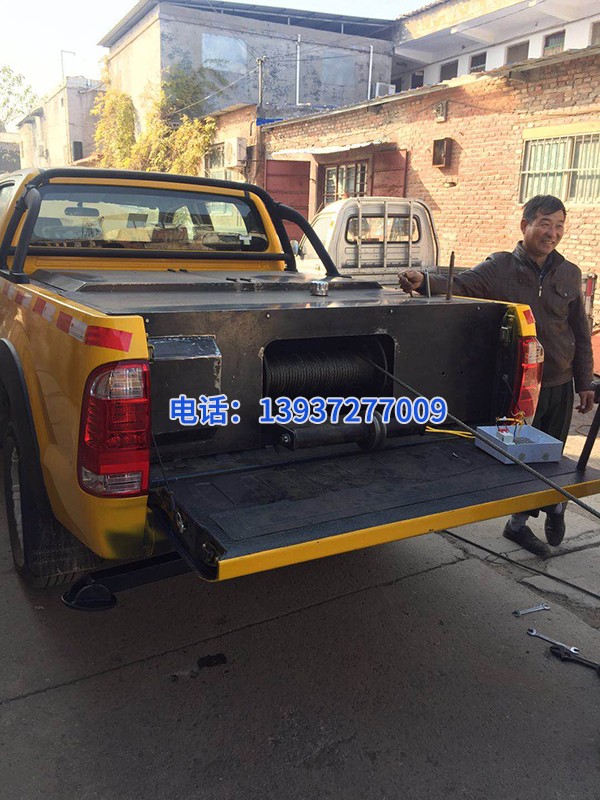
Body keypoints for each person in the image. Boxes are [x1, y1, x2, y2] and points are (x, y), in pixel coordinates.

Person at [399, 195, 595, 557]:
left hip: (559, 383)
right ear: (525, 226)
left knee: (555, 458)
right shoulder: (499, 267)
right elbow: (461, 284)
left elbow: (581, 333)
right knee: (525, 460)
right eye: (545, 224)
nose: (552, 233)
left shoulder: (569, 272)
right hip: (521, 389)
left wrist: (584, 383)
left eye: (559, 226)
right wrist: (423, 279)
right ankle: (518, 524)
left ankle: (555, 508)